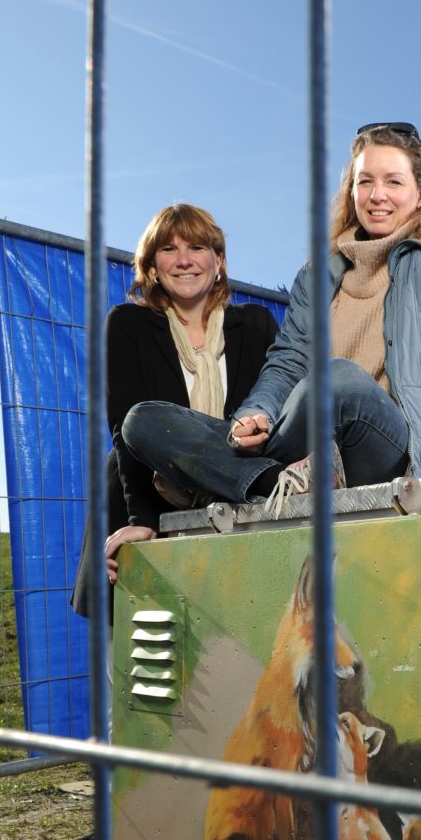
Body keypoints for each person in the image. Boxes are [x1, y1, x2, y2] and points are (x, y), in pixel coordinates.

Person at [120, 122, 421, 510]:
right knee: (144, 420)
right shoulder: (317, 274)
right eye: (365, 182)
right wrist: (256, 413)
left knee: (336, 379)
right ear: (351, 191)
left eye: (393, 182)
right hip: (306, 445)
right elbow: (288, 362)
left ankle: (212, 481)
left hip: (387, 446)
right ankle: (274, 479)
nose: (377, 195)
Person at [70, 203, 277, 617]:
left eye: (197, 247)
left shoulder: (256, 324)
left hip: (237, 507)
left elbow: (275, 414)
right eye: (168, 249)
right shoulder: (127, 324)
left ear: (218, 261)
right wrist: (141, 518)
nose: (184, 260)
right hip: (147, 493)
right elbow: (126, 425)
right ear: (151, 265)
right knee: (148, 659)